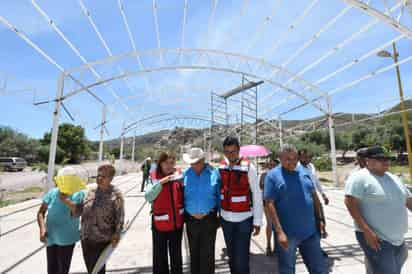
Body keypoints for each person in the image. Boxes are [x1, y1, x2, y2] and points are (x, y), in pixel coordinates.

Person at [344, 146, 412, 274]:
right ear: (368, 161)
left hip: (398, 239)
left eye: (387, 159)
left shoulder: (394, 178)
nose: (386, 162)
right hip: (377, 239)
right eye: (381, 159)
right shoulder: (360, 178)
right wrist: (366, 231)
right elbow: (350, 202)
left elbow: (408, 200)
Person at [264, 145, 327, 274]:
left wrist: (320, 219)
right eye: (287, 159)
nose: (292, 162)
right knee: (287, 269)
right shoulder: (272, 176)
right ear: (280, 158)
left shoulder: (304, 172)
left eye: (294, 158)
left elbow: (314, 197)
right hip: (288, 234)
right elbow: (269, 204)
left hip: (310, 232)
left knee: (319, 268)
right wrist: (279, 232)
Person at [61, 164, 125, 274]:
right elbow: (79, 210)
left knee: (98, 270)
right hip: (86, 238)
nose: (99, 178)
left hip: (102, 240)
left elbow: (120, 217)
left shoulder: (116, 195)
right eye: (98, 175)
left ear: (111, 178)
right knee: (91, 270)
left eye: (103, 176)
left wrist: (117, 234)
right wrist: (67, 202)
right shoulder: (90, 191)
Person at [219, 136, 263, 274]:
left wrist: (257, 220)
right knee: (232, 257)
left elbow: (257, 194)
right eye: (227, 152)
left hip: (244, 220)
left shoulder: (249, 167)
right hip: (226, 220)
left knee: (242, 259)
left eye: (233, 151)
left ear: (239, 150)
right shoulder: (221, 167)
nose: (230, 155)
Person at [37, 167, 85, 274]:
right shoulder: (52, 192)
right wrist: (42, 229)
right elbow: (41, 212)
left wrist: (66, 200)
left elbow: (78, 212)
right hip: (50, 237)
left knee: (62, 269)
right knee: (51, 269)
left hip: (67, 239)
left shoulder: (79, 194)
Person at [144, 152, 184, 274]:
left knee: (176, 255)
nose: (168, 166)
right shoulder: (154, 177)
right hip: (160, 223)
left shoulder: (178, 176)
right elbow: (148, 196)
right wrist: (161, 183)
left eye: (171, 163)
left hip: (177, 224)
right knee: (160, 256)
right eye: (165, 163)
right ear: (160, 163)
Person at [182, 148, 220, 274]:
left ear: (203, 160)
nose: (194, 165)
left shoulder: (214, 174)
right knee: (194, 253)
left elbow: (219, 196)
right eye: (192, 163)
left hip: (209, 220)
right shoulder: (185, 175)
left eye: (197, 162)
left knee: (208, 254)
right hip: (191, 221)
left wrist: (219, 217)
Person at [259, 158, 279, 256]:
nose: (271, 166)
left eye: (273, 164)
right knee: (270, 223)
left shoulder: (280, 175)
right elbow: (261, 186)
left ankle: (277, 247)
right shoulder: (264, 175)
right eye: (270, 164)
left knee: (279, 224)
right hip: (267, 202)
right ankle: (268, 246)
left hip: (279, 202)